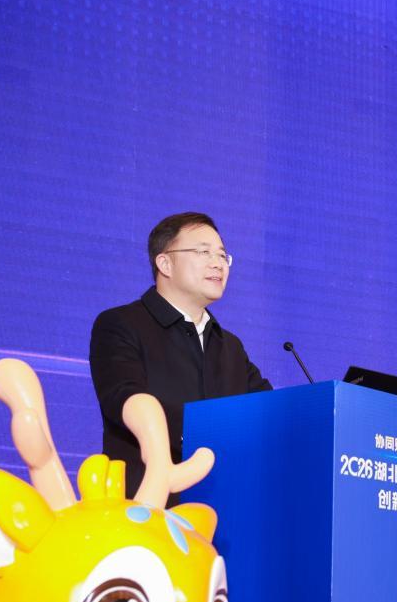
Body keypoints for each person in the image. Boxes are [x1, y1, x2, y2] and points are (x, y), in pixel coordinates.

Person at [90, 212, 271, 495]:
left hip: (224, 506)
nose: (217, 263)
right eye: (203, 252)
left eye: (222, 255)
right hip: (148, 503)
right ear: (165, 263)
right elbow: (122, 398)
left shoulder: (231, 346)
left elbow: (271, 411)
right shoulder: (121, 324)